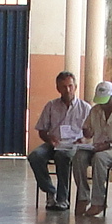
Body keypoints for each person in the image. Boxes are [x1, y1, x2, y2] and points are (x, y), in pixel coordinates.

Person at [71, 81, 112, 220]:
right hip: (96, 146)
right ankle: (83, 196)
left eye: (106, 101)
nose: (103, 105)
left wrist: (108, 145)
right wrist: (86, 133)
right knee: (79, 156)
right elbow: (88, 133)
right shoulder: (95, 111)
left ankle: (98, 201)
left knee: (100, 158)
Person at [27, 71, 91, 212]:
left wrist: (84, 138)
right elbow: (42, 130)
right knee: (35, 156)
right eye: (63, 87)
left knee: (63, 157)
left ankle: (63, 199)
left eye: (70, 86)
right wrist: (50, 139)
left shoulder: (85, 108)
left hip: (74, 145)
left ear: (75, 86)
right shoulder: (51, 106)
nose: (67, 90)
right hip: (54, 143)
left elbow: (91, 133)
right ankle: (50, 191)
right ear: (58, 88)